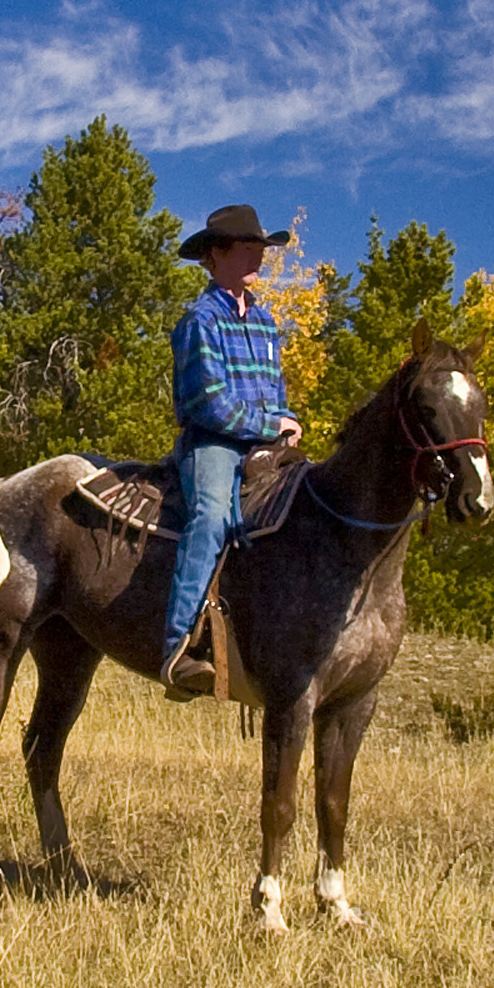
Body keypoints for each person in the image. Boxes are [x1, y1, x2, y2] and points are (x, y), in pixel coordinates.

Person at [160, 203, 301, 698]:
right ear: (215, 256)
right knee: (212, 518)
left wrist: (286, 425)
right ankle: (178, 648)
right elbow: (208, 403)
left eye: (259, 248)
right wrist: (269, 424)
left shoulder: (264, 322)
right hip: (213, 442)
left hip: (264, 441)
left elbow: (276, 391)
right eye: (246, 248)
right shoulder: (199, 321)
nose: (257, 257)